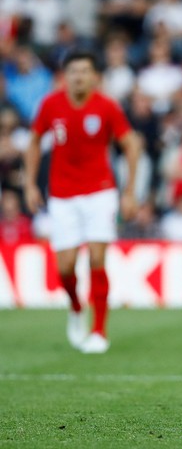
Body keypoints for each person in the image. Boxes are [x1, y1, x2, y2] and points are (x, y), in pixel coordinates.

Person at [24, 49, 141, 354]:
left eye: (84, 71)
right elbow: (34, 143)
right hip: (62, 195)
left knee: (97, 259)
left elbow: (131, 144)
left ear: (94, 76)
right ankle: (76, 306)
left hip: (100, 192)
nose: (78, 76)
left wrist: (129, 191)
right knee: (65, 268)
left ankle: (99, 330)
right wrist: (29, 184)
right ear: (65, 76)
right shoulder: (51, 104)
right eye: (73, 71)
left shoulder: (106, 107)